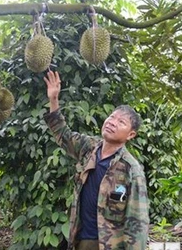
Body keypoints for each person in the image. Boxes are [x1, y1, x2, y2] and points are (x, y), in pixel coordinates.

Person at [43, 70, 150, 250]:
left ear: (131, 135)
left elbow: (137, 223)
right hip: (79, 237)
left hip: (106, 244)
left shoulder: (131, 169)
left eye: (121, 122)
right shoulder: (89, 147)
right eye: (112, 117)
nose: (112, 122)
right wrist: (53, 99)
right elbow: (63, 133)